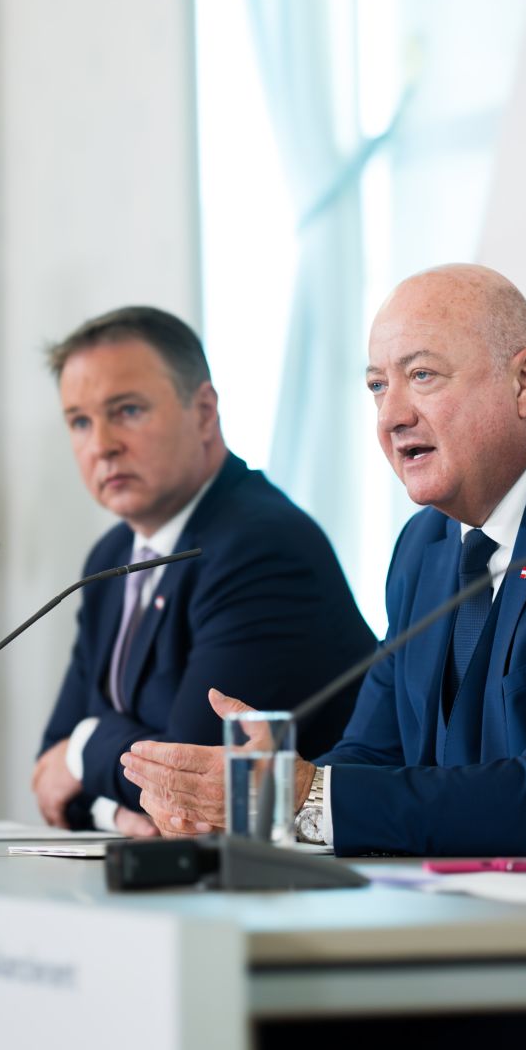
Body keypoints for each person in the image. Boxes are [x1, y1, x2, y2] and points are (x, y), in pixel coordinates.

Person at [121, 263, 526, 857]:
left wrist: (307, 797)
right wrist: (263, 800)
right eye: (377, 385)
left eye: (421, 376)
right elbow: (374, 755)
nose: (391, 416)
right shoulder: (426, 545)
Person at [32, 306, 374, 836]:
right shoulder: (109, 559)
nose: (101, 445)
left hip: (290, 872)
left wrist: (83, 747)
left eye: (127, 410)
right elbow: (48, 773)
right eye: (80, 421)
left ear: (204, 412)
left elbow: (194, 776)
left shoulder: (262, 544)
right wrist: (116, 810)